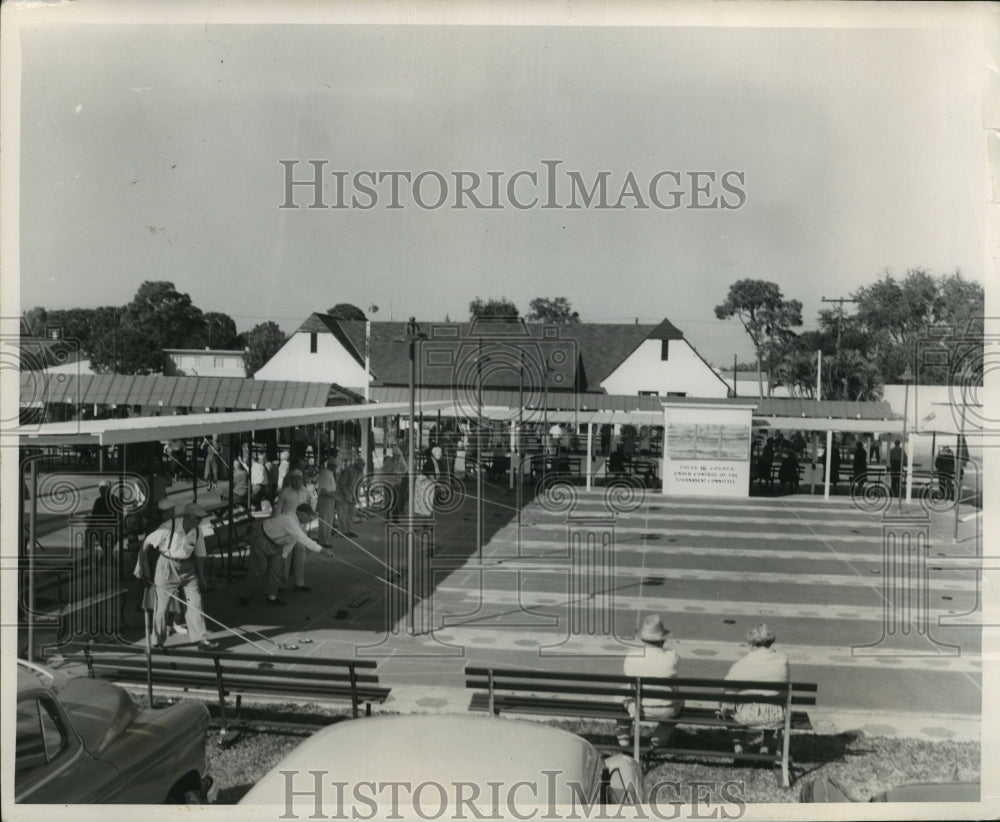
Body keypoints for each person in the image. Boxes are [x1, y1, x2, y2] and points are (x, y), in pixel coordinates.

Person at [141, 502, 217, 650]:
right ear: (188, 516)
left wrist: (202, 577)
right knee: (162, 608)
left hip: (188, 569)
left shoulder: (197, 530)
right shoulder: (168, 527)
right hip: (167, 566)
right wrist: (142, 565)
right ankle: (157, 641)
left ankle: (200, 640)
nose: (201, 521)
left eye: (201, 518)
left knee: (196, 603)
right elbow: (146, 543)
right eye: (198, 518)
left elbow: (200, 555)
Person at [238, 502, 337, 606]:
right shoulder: (290, 520)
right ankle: (244, 596)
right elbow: (303, 539)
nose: (310, 518)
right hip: (262, 537)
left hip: (277, 544)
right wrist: (322, 550)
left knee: (276, 569)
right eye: (309, 515)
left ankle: (272, 597)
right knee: (258, 569)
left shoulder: (300, 522)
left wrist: (284, 556)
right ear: (301, 513)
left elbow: (292, 540)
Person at [719, 623, 790, 756]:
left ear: (751, 643)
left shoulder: (742, 664)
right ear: (770, 642)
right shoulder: (782, 660)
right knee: (771, 702)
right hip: (775, 716)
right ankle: (766, 746)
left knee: (725, 704)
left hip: (746, 716)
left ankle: (738, 746)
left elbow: (727, 688)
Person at [617, 615, 683, 749]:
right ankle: (658, 739)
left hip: (637, 708)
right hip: (666, 709)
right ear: (663, 639)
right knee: (681, 701)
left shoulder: (631, 657)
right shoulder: (671, 657)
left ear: (642, 638)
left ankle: (624, 737)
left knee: (621, 693)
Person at [275, 469, 314, 590]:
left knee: (300, 555)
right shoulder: (284, 492)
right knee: (286, 556)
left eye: (299, 478)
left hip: (301, 528)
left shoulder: (306, 491)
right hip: (287, 528)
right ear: (291, 480)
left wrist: (310, 514)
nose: (297, 481)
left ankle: (299, 583)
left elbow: (312, 501)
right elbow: (278, 510)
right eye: (295, 478)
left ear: (302, 480)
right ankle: (281, 583)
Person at [334, 453, 361, 538]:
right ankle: (343, 532)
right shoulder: (348, 471)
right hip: (343, 495)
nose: (363, 466)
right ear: (356, 464)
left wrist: (356, 497)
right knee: (343, 514)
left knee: (351, 514)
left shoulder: (359, 472)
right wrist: (347, 496)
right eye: (361, 464)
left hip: (352, 495)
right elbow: (342, 484)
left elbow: (358, 485)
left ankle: (350, 530)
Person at [316, 456, 338, 546]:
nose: (335, 467)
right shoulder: (325, 473)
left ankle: (326, 539)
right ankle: (323, 541)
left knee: (329, 519)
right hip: (325, 498)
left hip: (330, 498)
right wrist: (335, 496)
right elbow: (323, 491)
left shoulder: (330, 473)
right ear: (329, 465)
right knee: (324, 520)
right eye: (334, 465)